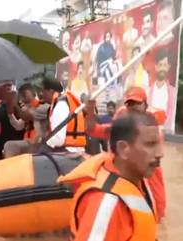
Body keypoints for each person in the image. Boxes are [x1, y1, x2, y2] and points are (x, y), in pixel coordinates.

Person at [59, 112, 161, 241]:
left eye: (158, 143)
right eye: (150, 144)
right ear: (123, 149)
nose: (160, 153)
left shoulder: (138, 179)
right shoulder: (106, 203)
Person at [86, 86, 167, 221]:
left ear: (145, 105)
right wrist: (90, 108)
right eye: (130, 103)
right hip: (122, 188)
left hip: (147, 188)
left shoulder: (152, 131)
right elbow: (92, 130)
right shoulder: (120, 129)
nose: (133, 107)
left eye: (137, 103)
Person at [41, 79, 86, 153]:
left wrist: (44, 145)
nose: (42, 94)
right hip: (70, 150)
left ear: (51, 91)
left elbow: (59, 139)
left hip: (69, 152)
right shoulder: (60, 103)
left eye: (43, 91)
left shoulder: (60, 105)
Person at [3, 84, 48, 158]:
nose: (22, 100)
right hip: (30, 142)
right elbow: (18, 126)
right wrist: (10, 110)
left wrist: (14, 104)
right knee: (9, 146)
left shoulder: (44, 107)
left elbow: (26, 116)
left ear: (35, 94)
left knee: (12, 146)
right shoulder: (29, 108)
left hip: (41, 143)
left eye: (24, 95)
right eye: (21, 96)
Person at [147, 48, 176, 129]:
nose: (162, 68)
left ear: (168, 67)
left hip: (167, 134)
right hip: (151, 131)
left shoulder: (174, 93)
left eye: (165, 65)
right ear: (156, 67)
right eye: (160, 65)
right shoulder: (147, 91)